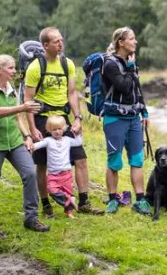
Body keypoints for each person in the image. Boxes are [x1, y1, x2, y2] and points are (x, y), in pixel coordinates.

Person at [23, 27, 98, 216]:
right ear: (45, 45)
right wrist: (32, 128)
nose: (60, 44)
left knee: (80, 158)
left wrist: (77, 118)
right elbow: (28, 101)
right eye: (56, 41)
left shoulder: (68, 64)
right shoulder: (35, 67)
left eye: (61, 40)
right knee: (42, 164)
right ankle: (46, 204)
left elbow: (72, 93)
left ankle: (83, 202)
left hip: (63, 119)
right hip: (42, 118)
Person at [0, 54, 49, 237]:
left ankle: (31, 218)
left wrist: (27, 136)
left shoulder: (11, 89)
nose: (14, 71)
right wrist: (23, 107)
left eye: (14, 68)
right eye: (10, 68)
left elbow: (17, 118)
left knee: (30, 173)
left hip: (15, 141)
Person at [101, 27, 151, 215]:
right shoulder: (110, 64)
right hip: (114, 118)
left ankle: (140, 200)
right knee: (114, 161)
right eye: (132, 39)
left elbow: (136, 90)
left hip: (134, 118)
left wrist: (144, 112)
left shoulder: (132, 62)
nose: (135, 42)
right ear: (121, 42)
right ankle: (112, 199)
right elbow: (122, 86)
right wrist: (130, 68)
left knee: (137, 159)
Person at [31, 115, 85, 218]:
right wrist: (30, 146)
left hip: (66, 173)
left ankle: (69, 212)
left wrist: (77, 134)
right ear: (49, 130)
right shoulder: (48, 140)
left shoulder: (67, 140)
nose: (57, 132)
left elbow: (78, 142)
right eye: (54, 129)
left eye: (59, 129)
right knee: (52, 190)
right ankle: (70, 202)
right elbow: (38, 145)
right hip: (53, 174)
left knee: (67, 192)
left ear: (64, 128)